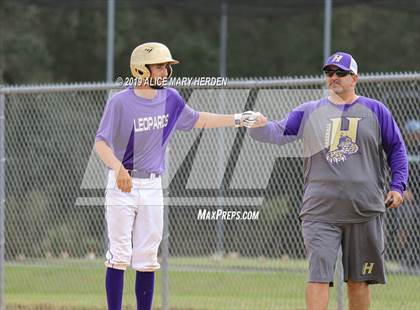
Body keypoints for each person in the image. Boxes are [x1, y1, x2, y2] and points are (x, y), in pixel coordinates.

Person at [95, 42, 261, 310]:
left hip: (152, 185)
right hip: (122, 185)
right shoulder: (120, 102)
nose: (165, 72)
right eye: (160, 66)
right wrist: (118, 168)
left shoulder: (170, 98)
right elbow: (101, 143)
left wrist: (239, 118)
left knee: (148, 256)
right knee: (119, 255)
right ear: (140, 69)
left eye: (166, 67)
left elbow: (197, 119)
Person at [248, 52, 408, 310]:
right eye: (330, 73)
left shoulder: (376, 110)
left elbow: (397, 150)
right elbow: (277, 133)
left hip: (364, 209)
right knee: (318, 277)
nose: (334, 78)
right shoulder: (310, 111)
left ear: (354, 78)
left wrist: (397, 186)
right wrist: (257, 126)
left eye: (341, 73)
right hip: (320, 210)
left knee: (359, 280)